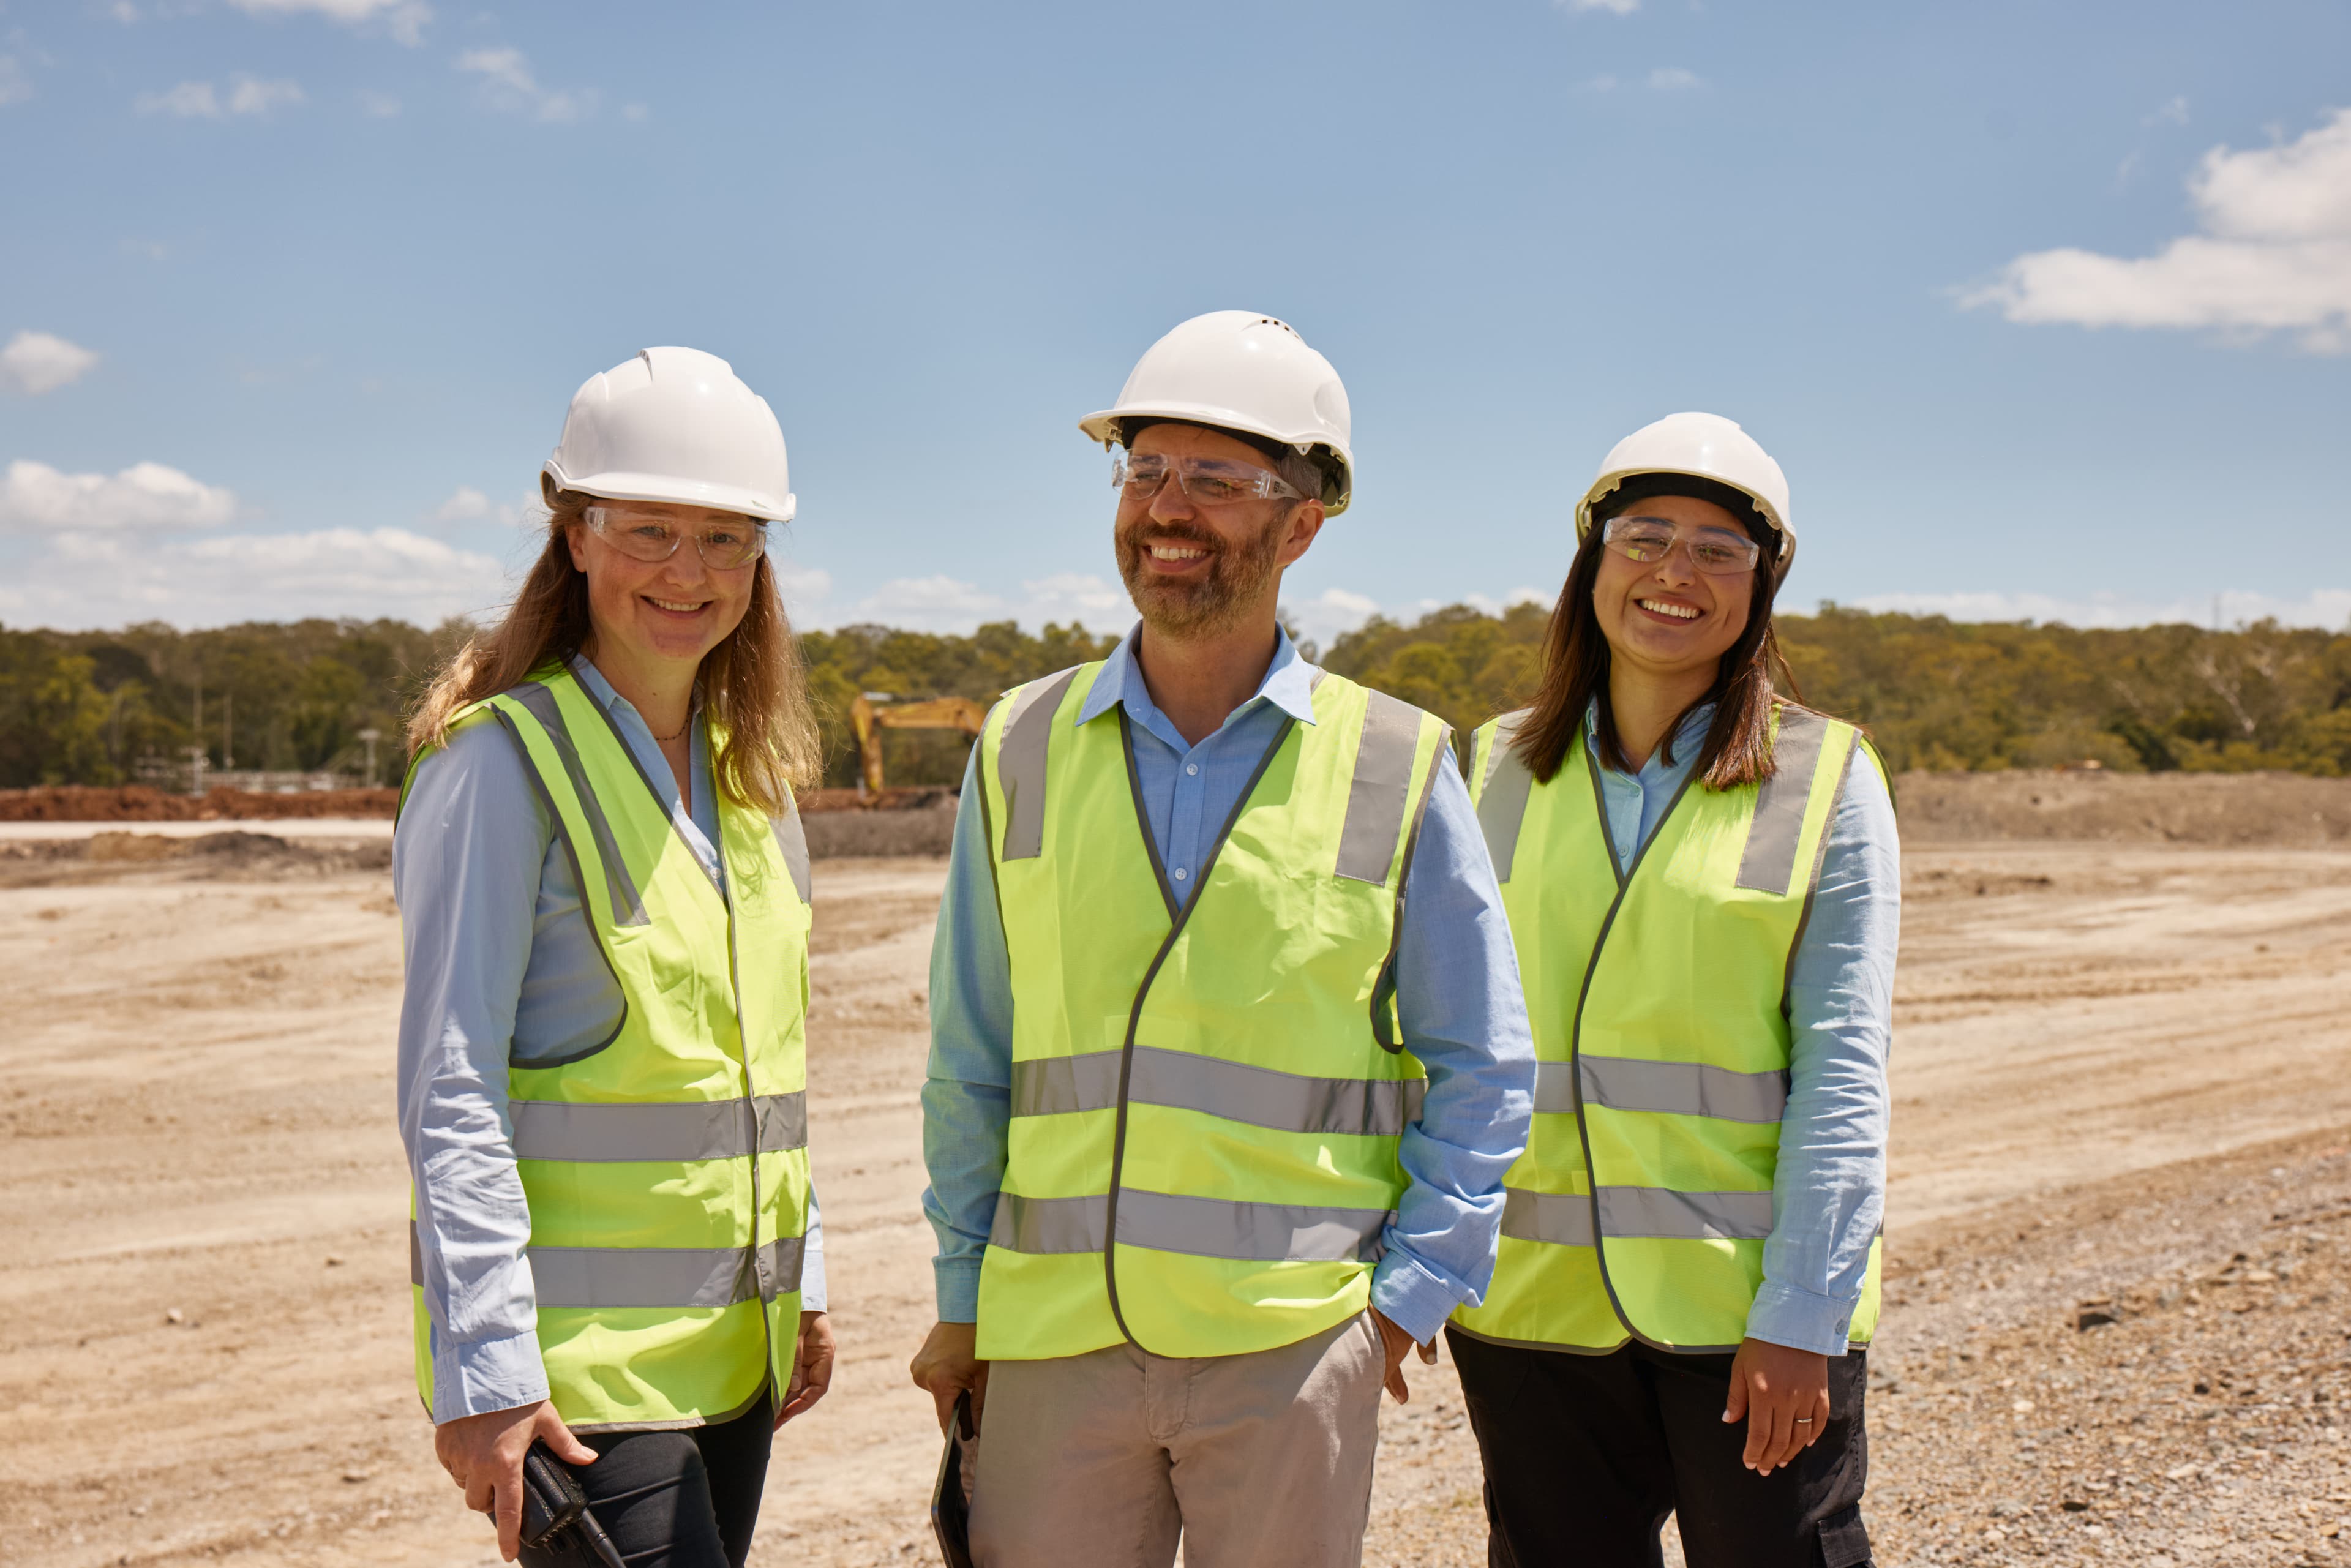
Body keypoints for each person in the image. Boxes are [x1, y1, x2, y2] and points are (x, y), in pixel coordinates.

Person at [906, 310, 1536, 1568]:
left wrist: (1404, 1302)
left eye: (1215, 479)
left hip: (1290, 1347)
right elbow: (972, 1058)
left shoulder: (1398, 761)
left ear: (1302, 525)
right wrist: (966, 1298)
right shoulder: (1020, 744)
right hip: (1054, 1344)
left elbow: (1484, 1064)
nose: (1167, 508)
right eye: (1145, 469)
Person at [396, 347, 834, 1568]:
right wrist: (486, 1367)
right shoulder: (500, 765)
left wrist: (803, 1283)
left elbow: (763, 1068)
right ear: (576, 535)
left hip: (734, 1362)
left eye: (725, 537)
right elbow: (451, 1089)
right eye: (650, 531)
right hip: (577, 1382)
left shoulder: (755, 785)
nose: (688, 571)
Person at [1445, 412, 1898, 1568]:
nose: (1675, 572)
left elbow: (1843, 1069)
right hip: (1530, 1306)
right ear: (1594, 560)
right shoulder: (1490, 767)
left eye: (1718, 548)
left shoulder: (1827, 779)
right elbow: (1437, 1041)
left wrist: (1802, 1311)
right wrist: (1422, 1261)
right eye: (1645, 537)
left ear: (1763, 581)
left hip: (1742, 1316)